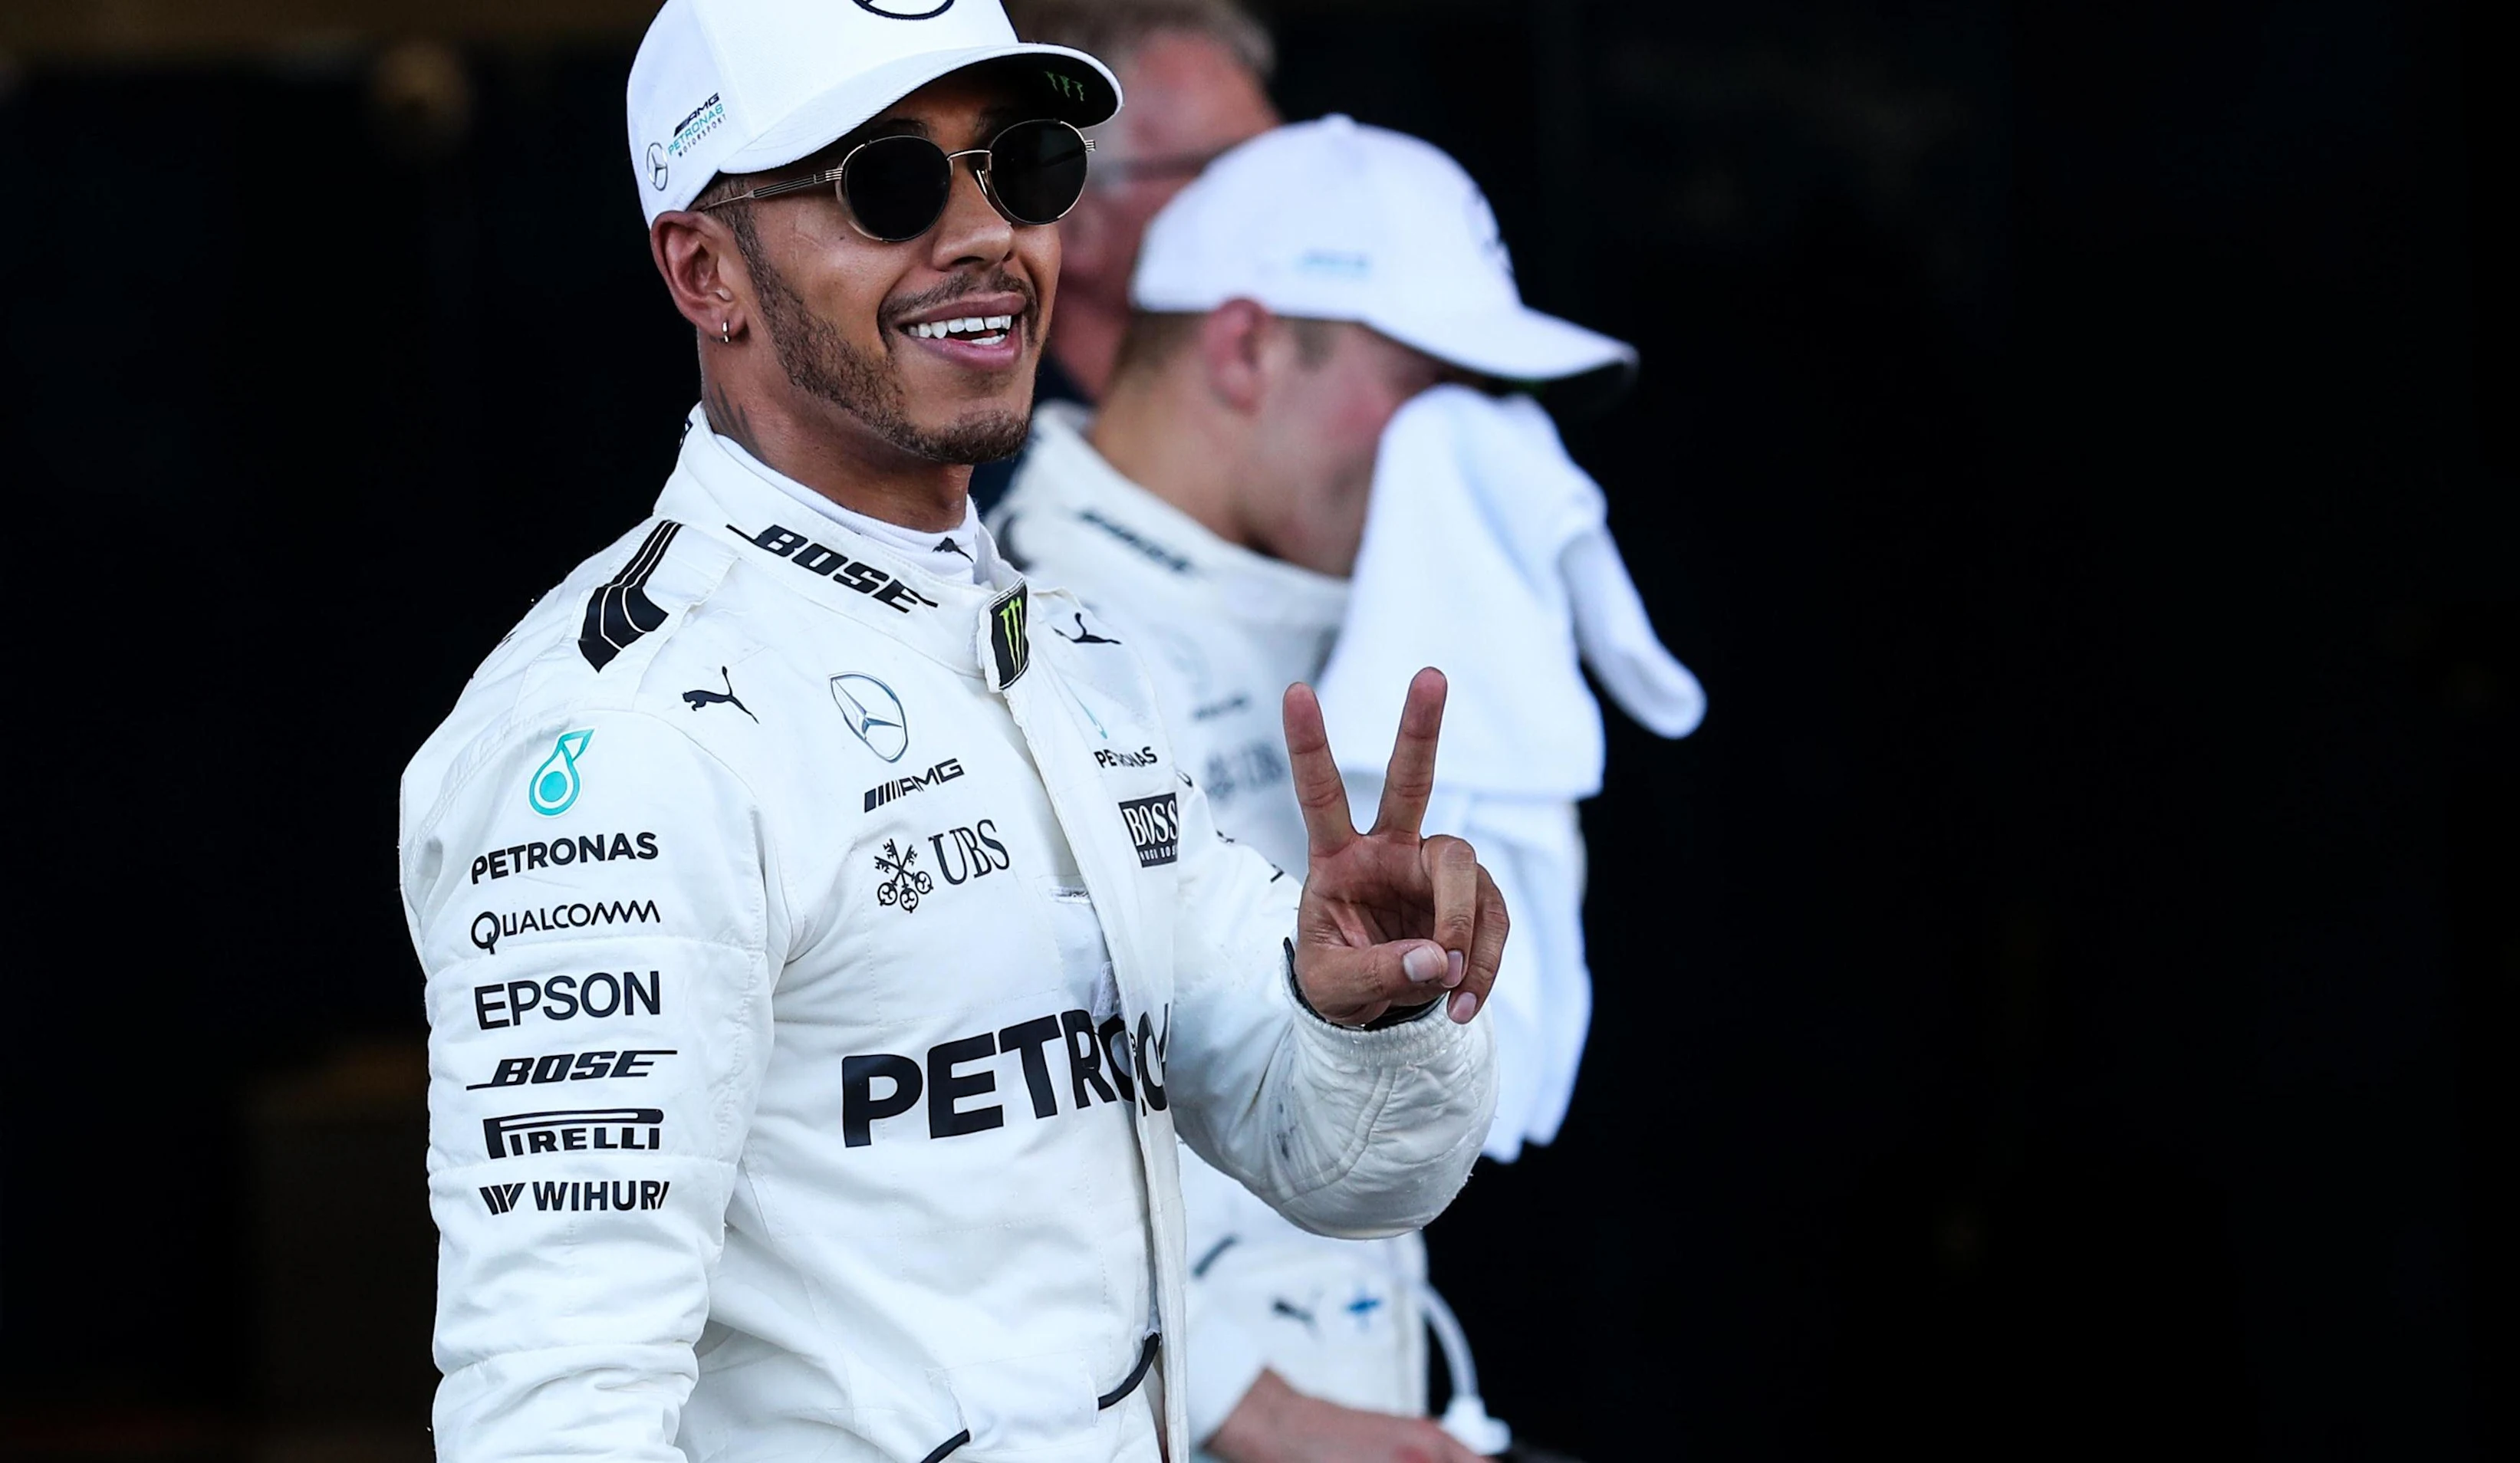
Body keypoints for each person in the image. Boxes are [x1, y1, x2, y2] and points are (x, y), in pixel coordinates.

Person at [398, 6, 1509, 1461]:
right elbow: (553, 1410)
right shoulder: (619, 737)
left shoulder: (1070, 659)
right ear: (704, 269)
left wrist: (1370, 1007)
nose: (985, 231)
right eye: (889, 184)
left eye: (1024, 166)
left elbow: (1348, 1163)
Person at [992, 117, 1704, 1463]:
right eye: (1429, 391)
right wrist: (1244, 1410)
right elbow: (925, 1123)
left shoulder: (1383, 629)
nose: (1467, 450)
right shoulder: (1016, 629)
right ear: (1248, 345)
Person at [969, 0, 1280, 512]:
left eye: (1283, 157)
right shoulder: (979, 484)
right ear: (1069, 215)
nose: (1287, 193)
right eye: (1227, 168)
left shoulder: (1285, 434)